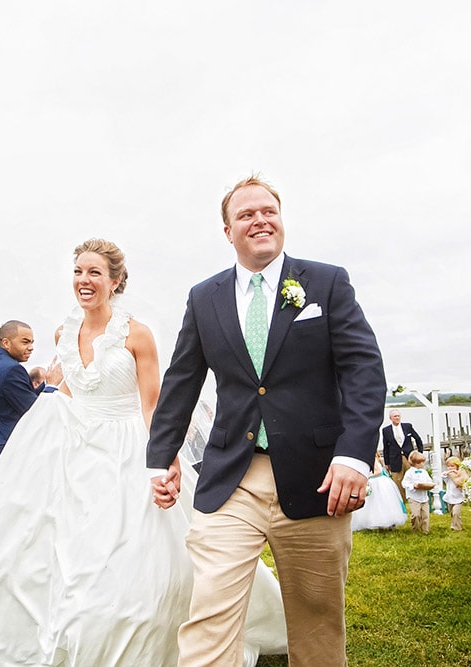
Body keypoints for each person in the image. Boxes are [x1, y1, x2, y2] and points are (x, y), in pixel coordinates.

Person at [0, 239, 288, 666]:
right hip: (75, 449)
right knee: (48, 547)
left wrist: (163, 459)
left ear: (114, 281)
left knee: (133, 555)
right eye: (78, 271)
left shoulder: (137, 334)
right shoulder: (62, 332)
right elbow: (76, 386)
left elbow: (152, 405)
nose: (84, 280)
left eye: (94, 272)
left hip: (127, 448)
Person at [147, 176, 386, 666]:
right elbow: (181, 379)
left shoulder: (325, 282)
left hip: (320, 476)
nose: (259, 219)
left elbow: (364, 370)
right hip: (233, 474)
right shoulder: (203, 297)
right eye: (246, 214)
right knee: (210, 608)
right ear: (228, 230)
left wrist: (354, 456)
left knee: (317, 619)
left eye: (268, 210)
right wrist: (161, 455)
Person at [0, 320, 45, 475]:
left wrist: (46, 382)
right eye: (25, 342)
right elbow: (34, 410)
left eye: (32, 342)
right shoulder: (12, 369)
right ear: (6, 343)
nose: (31, 347)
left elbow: (18, 397)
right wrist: (53, 386)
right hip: (9, 448)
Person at [350, 452, 406, 531]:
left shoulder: (373, 460)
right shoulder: (377, 460)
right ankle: (383, 523)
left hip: (378, 483)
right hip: (380, 481)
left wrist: (367, 476)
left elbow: (378, 472)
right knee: (379, 503)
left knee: (379, 503)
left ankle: (384, 522)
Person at [381, 409, 423, 498]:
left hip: (409, 457)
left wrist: (419, 453)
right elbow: (386, 447)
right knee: (398, 480)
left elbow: (418, 439)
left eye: (398, 416)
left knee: (412, 477)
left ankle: (413, 497)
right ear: (390, 418)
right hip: (395, 458)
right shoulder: (386, 430)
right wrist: (387, 463)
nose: (397, 418)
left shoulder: (407, 426)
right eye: (395, 416)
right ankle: (402, 499)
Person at [401, 451, 433, 534]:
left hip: (424, 497)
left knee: (425, 514)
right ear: (416, 463)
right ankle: (415, 528)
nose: (423, 464)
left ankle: (425, 530)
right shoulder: (409, 473)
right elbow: (404, 483)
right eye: (421, 462)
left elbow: (429, 481)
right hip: (414, 497)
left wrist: (429, 485)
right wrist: (413, 486)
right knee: (416, 514)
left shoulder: (424, 472)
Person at [442, 456, 468, 531]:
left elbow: (462, 482)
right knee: (452, 513)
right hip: (450, 497)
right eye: (448, 466)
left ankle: (457, 528)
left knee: (456, 512)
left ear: (457, 466)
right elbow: (443, 475)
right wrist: (449, 473)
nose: (450, 468)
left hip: (459, 498)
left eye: (452, 466)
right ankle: (454, 524)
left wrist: (457, 474)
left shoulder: (460, 475)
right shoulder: (448, 476)